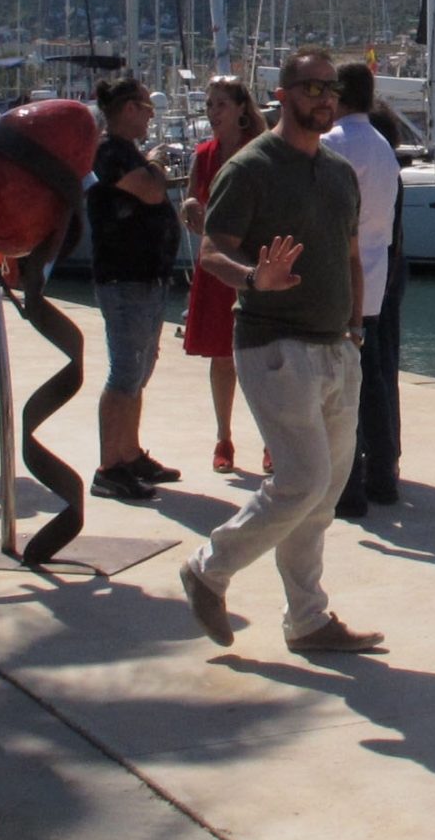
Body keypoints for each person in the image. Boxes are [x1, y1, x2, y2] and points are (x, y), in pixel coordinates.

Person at [177, 47, 381, 656]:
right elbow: (212, 250)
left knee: (322, 495)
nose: (324, 97)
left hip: (337, 347)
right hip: (274, 345)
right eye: (311, 87)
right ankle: (208, 569)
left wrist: (355, 329)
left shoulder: (340, 173)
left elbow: (349, 257)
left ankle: (308, 620)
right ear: (283, 94)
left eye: (331, 90)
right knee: (301, 480)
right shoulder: (251, 167)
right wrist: (252, 279)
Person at [87, 74, 183, 501]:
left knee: (140, 368)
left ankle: (129, 452)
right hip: (124, 279)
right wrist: (157, 163)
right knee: (125, 371)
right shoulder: (110, 152)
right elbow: (150, 190)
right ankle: (110, 466)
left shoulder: (127, 153)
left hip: (147, 278)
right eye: (146, 108)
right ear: (128, 109)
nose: (150, 115)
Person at [322, 63, 403, 518]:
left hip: (340, 277)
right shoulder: (382, 147)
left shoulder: (332, 145)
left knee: (341, 390)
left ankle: (348, 486)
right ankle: (383, 477)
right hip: (376, 274)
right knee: (373, 383)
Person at [179, 75, 264, 476]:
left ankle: (271, 440)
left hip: (252, 261)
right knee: (221, 355)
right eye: (210, 105)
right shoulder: (203, 154)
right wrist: (191, 203)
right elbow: (193, 196)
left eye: (221, 105)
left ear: (241, 109)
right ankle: (223, 437)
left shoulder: (260, 152)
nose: (213, 112)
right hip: (215, 264)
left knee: (262, 357)